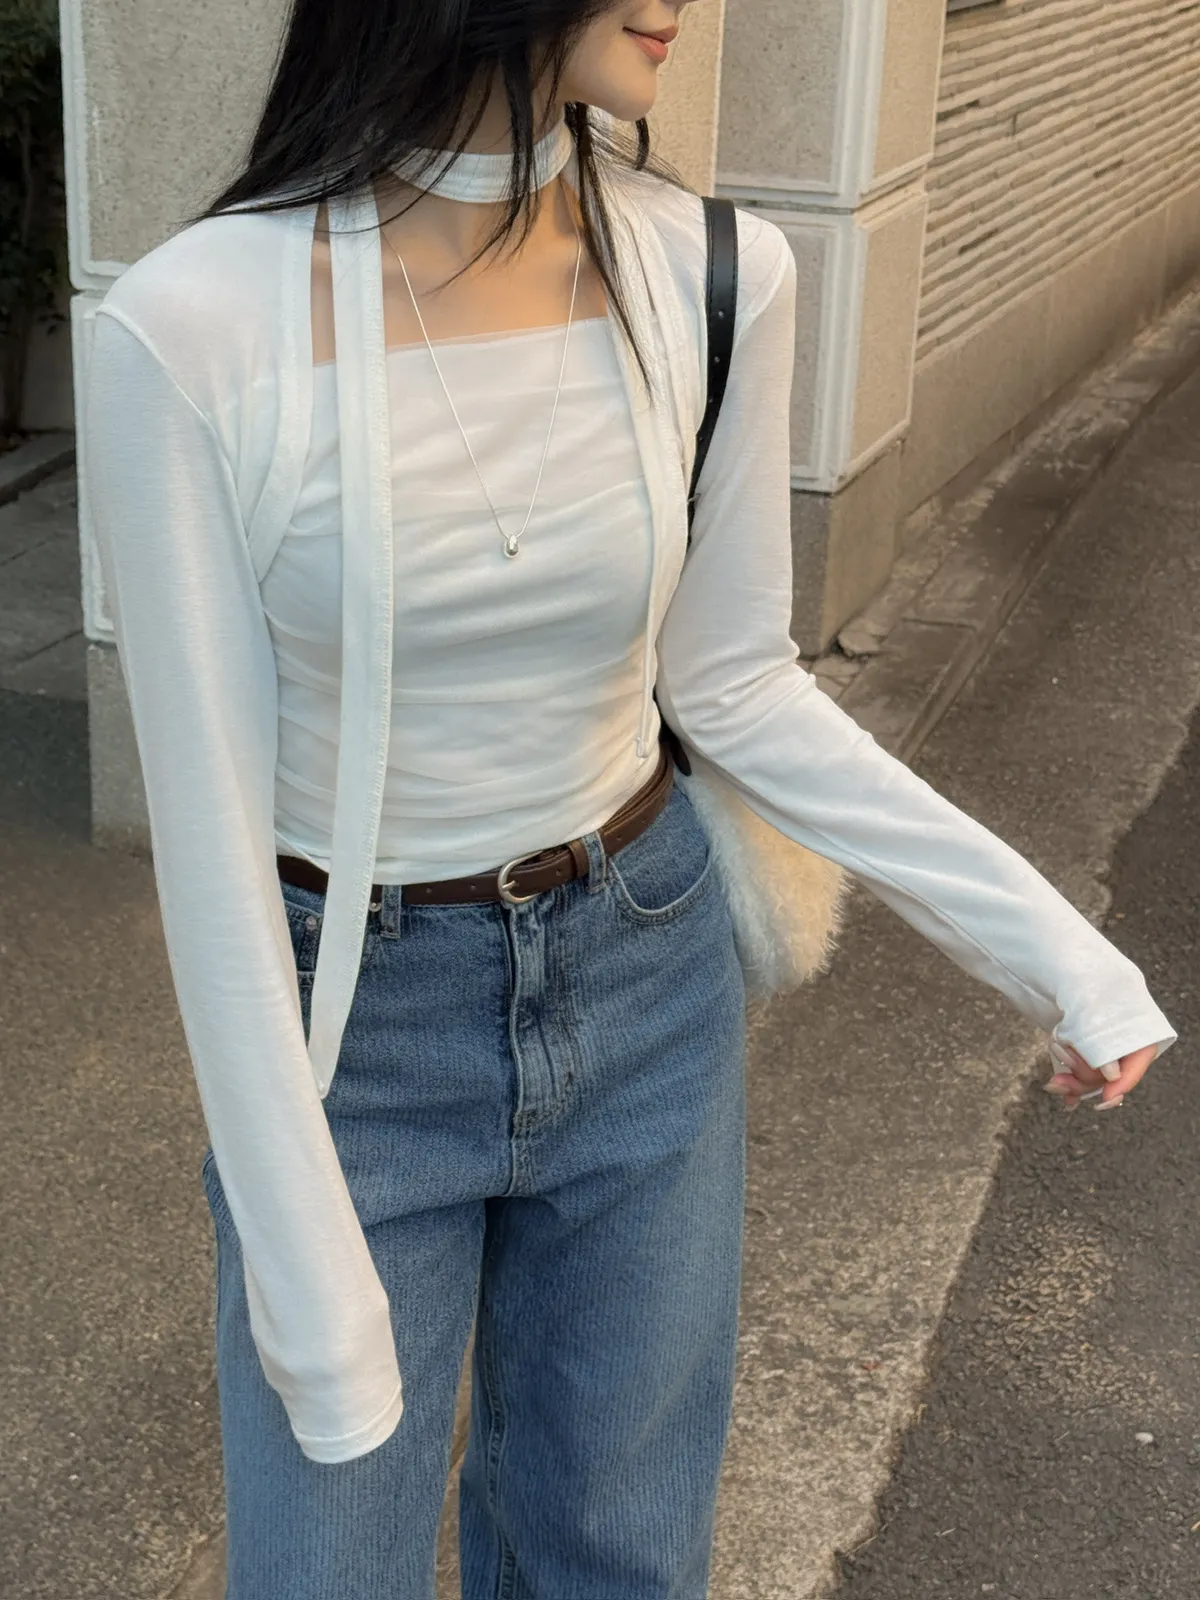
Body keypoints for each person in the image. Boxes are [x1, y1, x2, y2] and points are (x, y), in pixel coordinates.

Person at [84, 1, 1176, 1595]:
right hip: (352, 1027)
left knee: (616, 1558)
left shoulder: (713, 275)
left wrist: (1057, 956)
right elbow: (206, 841)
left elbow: (736, 686)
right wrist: (302, 1273)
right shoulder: (194, 326)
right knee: (327, 1563)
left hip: (645, 969)